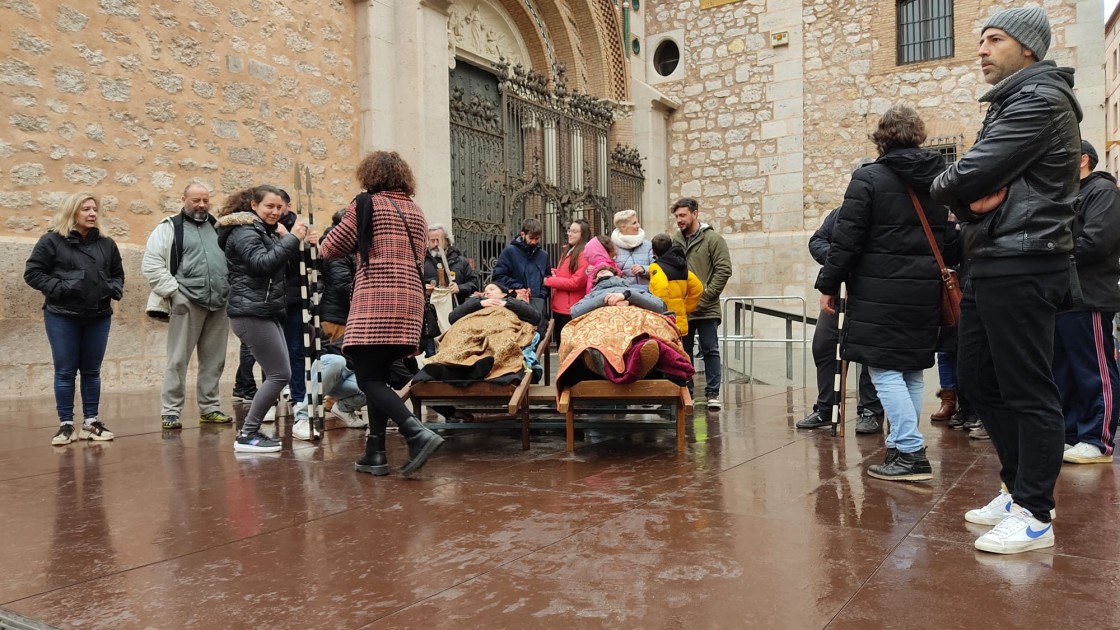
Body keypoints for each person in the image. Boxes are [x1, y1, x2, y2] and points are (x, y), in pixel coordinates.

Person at [930, 6, 1082, 554]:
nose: (981, 49)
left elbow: (963, 176)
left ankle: (1036, 513)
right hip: (994, 256)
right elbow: (974, 196)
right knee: (976, 379)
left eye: (994, 39)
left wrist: (962, 192)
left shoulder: (1038, 99)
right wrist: (972, 204)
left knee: (1027, 388)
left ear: (1028, 49)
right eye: (981, 39)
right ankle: (1017, 489)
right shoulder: (1013, 101)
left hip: (1026, 259)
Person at [817, 104, 948, 482]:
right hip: (924, 289)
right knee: (909, 367)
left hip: (879, 289)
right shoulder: (940, 176)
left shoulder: (868, 178)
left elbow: (847, 240)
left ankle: (909, 450)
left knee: (884, 369)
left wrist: (829, 283)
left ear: (881, 137)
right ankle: (901, 443)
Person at [319, 150, 445, 477]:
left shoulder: (365, 204)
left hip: (376, 299)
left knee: (368, 377)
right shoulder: (416, 211)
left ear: (370, 175)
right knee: (380, 374)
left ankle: (415, 431)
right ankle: (375, 453)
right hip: (410, 301)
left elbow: (330, 249)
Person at [216, 185, 312, 453]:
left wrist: (297, 242)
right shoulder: (244, 232)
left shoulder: (261, 231)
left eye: (280, 207)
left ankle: (250, 431)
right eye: (269, 206)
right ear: (253, 205)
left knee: (281, 373)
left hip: (265, 311)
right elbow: (261, 264)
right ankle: (247, 434)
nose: (275, 211)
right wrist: (291, 239)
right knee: (280, 374)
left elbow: (279, 265)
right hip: (251, 312)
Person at [24, 192, 123, 445]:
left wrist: (111, 289)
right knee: (65, 371)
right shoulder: (51, 241)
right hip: (62, 316)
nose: (92, 214)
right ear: (72, 212)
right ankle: (65, 424)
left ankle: (91, 423)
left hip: (98, 315)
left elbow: (117, 274)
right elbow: (33, 273)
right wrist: (63, 288)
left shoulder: (106, 243)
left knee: (92, 370)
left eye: (94, 209)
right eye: (85, 209)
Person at [141, 183, 232, 430]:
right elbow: (151, 264)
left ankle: (210, 408)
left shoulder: (218, 228)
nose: (201, 205)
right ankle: (170, 411)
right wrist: (174, 293)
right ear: (183, 199)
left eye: (205, 200)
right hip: (187, 301)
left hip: (220, 303)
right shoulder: (169, 228)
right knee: (177, 360)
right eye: (195, 200)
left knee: (215, 361)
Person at [1053, 140, 1120, 464]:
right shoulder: (1068, 194)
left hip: (1090, 295)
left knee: (1094, 369)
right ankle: (1070, 435)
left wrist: (1052, 248)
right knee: (1064, 370)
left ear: (1083, 160)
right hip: (1064, 297)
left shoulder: (1102, 191)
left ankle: (1098, 439)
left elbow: (1097, 241)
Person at [797, 204, 886, 434]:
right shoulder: (839, 214)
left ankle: (870, 410)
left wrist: (850, 257)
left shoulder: (881, 214)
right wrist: (839, 257)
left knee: (868, 352)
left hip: (870, 293)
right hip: (837, 291)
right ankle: (827, 408)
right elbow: (816, 241)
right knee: (824, 346)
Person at [671, 198, 732, 409]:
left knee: (710, 349)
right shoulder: (674, 241)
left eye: (682, 215)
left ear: (695, 214)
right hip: (682, 308)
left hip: (707, 308)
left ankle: (712, 393)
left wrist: (705, 296)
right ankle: (686, 392)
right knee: (683, 351)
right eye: (676, 216)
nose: (679, 220)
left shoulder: (713, 239)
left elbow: (723, 270)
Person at [492, 217, 551, 335]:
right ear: (523, 234)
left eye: (537, 239)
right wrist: (519, 289)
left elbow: (547, 278)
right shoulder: (510, 252)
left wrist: (541, 294)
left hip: (537, 304)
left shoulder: (543, 255)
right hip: (515, 304)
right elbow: (498, 277)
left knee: (537, 337)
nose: (534, 242)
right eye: (531, 238)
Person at [647, 233, 704, 336]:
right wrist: (687, 307)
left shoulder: (656, 267)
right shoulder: (681, 266)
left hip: (666, 322)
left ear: (654, 251)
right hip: (681, 321)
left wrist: (658, 312)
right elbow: (698, 288)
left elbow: (661, 287)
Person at [543, 219, 591, 339]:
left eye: (575, 231)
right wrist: (551, 272)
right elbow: (564, 274)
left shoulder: (584, 253)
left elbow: (576, 282)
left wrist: (548, 281)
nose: (570, 234)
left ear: (583, 234)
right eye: (570, 230)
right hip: (561, 306)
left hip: (571, 309)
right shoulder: (570, 251)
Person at [570, 264, 667, 318]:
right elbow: (575, 312)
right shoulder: (592, 294)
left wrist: (626, 295)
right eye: (599, 273)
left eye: (607, 271)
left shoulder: (636, 289)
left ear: (617, 276)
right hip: (603, 325)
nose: (602, 271)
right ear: (595, 280)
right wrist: (607, 299)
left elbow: (660, 306)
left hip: (636, 320)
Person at [318, 209, 355, 344]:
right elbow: (342, 285)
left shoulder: (344, 247)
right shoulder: (338, 249)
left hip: (341, 315)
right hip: (336, 318)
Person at [424, 223, 479, 305]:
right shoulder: (422, 261)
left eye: (438, 240)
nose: (435, 244)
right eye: (432, 241)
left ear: (447, 241)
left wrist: (459, 288)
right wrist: (424, 288)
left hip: (455, 308)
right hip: (430, 310)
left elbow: (474, 283)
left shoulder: (460, 261)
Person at [451, 282, 542, 325]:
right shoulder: (478, 302)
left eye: (492, 289)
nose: (487, 292)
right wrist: (480, 304)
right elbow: (452, 318)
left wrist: (506, 303)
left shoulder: (513, 302)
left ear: (504, 294)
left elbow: (535, 317)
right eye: (485, 291)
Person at [611, 209, 654, 286]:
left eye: (637, 222)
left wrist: (644, 269)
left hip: (648, 293)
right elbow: (605, 268)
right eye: (634, 223)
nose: (638, 225)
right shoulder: (612, 247)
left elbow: (657, 267)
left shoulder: (648, 245)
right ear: (623, 227)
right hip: (623, 294)